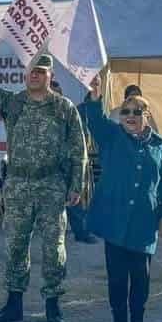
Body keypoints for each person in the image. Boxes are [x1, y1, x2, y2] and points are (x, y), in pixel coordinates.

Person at [0, 48, 86, 322]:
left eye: (40, 72)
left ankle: (53, 306)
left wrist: (76, 185)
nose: (34, 76)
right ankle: (14, 304)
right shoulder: (14, 103)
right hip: (18, 184)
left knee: (54, 248)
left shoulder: (64, 108)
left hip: (51, 185)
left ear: (50, 75)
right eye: (31, 72)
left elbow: (78, 151)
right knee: (15, 245)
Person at [82, 75, 162, 322]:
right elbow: (95, 120)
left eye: (137, 111)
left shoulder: (161, 145)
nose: (130, 116)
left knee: (141, 278)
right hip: (115, 220)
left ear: (147, 115)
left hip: (144, 223)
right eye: (125, 111)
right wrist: (95, 96)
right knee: (117, 277)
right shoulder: (112, 136)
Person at [50, 79, 98, 245]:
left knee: (75, 203)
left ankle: (81, 232)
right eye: (51, 92)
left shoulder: (71, 114)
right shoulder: (37, 116)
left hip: (69, 167)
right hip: (49, 170)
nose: (54, 96)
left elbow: (81, 138)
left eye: (57, 93)